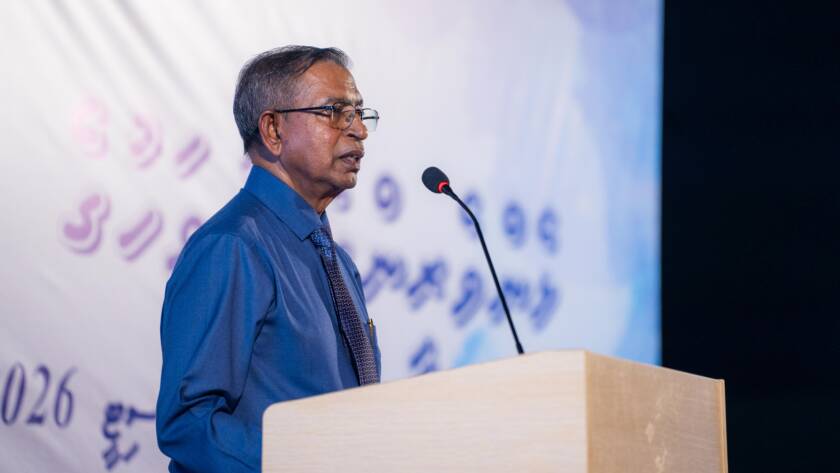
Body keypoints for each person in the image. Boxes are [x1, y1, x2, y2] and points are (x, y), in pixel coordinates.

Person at [155, 46, 381, 473]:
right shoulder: (232, 248)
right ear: (273, 130)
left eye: (359, 113)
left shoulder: (338, 264)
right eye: (335, 112)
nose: (358, 131)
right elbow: (189, 423)